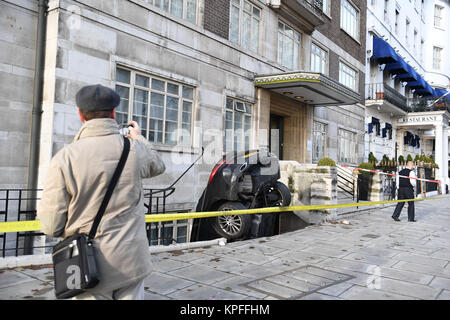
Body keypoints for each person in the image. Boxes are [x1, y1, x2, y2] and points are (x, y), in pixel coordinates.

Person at [37, 84, 166, 300]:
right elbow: (158, 165)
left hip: (89, 266)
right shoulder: (133, 149)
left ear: (81, 114)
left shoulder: (65, 158)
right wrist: (138, 137)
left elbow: (51, 225)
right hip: (132, 261)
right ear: (113, 113)